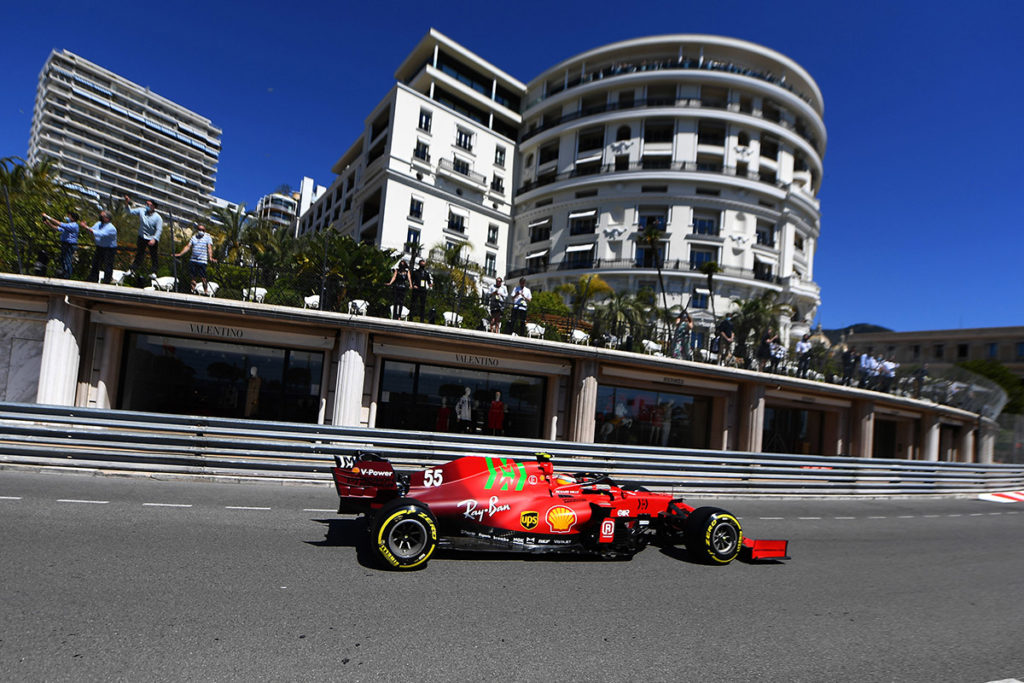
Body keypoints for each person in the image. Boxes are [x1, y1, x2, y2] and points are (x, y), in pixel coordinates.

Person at [125, 195, 163, 278]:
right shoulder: (141, 211)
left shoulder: (158, 218)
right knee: (139, 254)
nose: (147, 206)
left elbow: (159, 230)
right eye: (146, 204)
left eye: (149, 205)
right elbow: (130, 212)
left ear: (153, 207)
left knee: (154, 255)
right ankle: (132, 270)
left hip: (152, 238)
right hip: (142, 236)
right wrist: (127, 203)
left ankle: (154, 272)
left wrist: (154, 239)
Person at [175, 224, 216, 294]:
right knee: (193, 277)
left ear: (204, 231)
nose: (201, 231)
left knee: (203, 278)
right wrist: (180, 254)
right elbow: (188, 246)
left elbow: (209, 248)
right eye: (199, 229)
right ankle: (192, 290)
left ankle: (205, 291)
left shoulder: (207, 237)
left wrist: (210, 257)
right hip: (193, 260)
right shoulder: (194, 237)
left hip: (202, 261)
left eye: (202, 230)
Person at [42, 210, 82, 278]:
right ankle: (64, 273)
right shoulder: (69, 225)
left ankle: (67, 275)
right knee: (63, 259)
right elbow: (58, 228)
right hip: (65, 244)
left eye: (69, 216)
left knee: (67, 260)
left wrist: (47, 217)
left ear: (73, 218)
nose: (68, 217)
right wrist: (48, 223)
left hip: (69, 245)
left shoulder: (73, 225)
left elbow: (59, 224)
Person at [83, 210, 118, 284]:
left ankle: (107, 281)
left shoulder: (111, 228)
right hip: (100, 247)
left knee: (108, 265)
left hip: (109, 249)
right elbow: (92, 230)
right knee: (95, 263)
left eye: (103, 216)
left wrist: (87, 228)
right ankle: (93, 278)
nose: (100, 217)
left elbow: (100, 234)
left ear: (107, 218)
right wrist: (86, 228)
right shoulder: (98, 224)